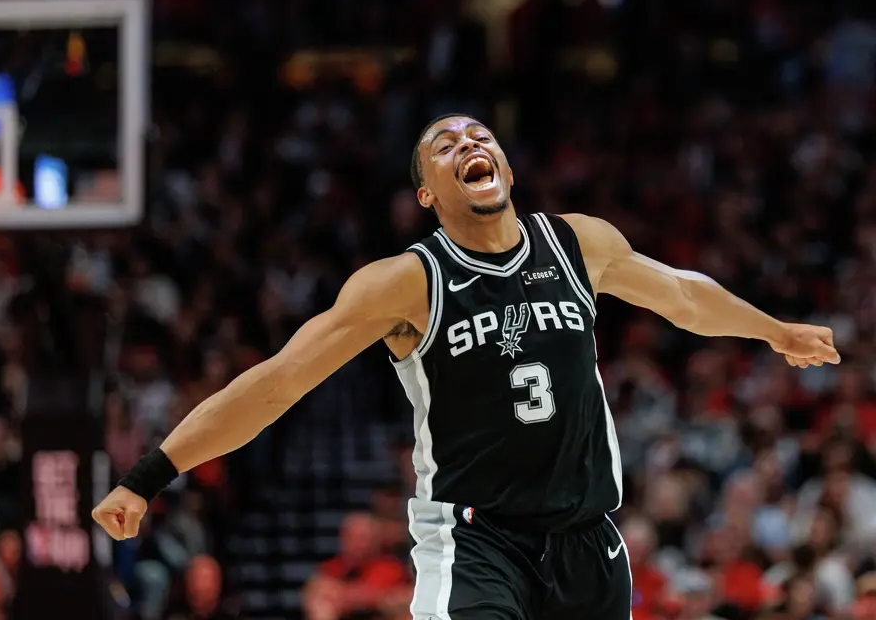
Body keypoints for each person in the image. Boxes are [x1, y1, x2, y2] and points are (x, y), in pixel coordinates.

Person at [93, 114, 841, 620]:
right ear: (427, 193)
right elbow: (277, 383)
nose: (467, 144)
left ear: (505, 165)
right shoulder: (406, 282)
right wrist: (148, 475)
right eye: (445, 147)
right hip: (477, 539)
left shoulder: (578, 244)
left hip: (587, 537)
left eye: (478, 136)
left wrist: (772, 330)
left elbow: (683, 296)